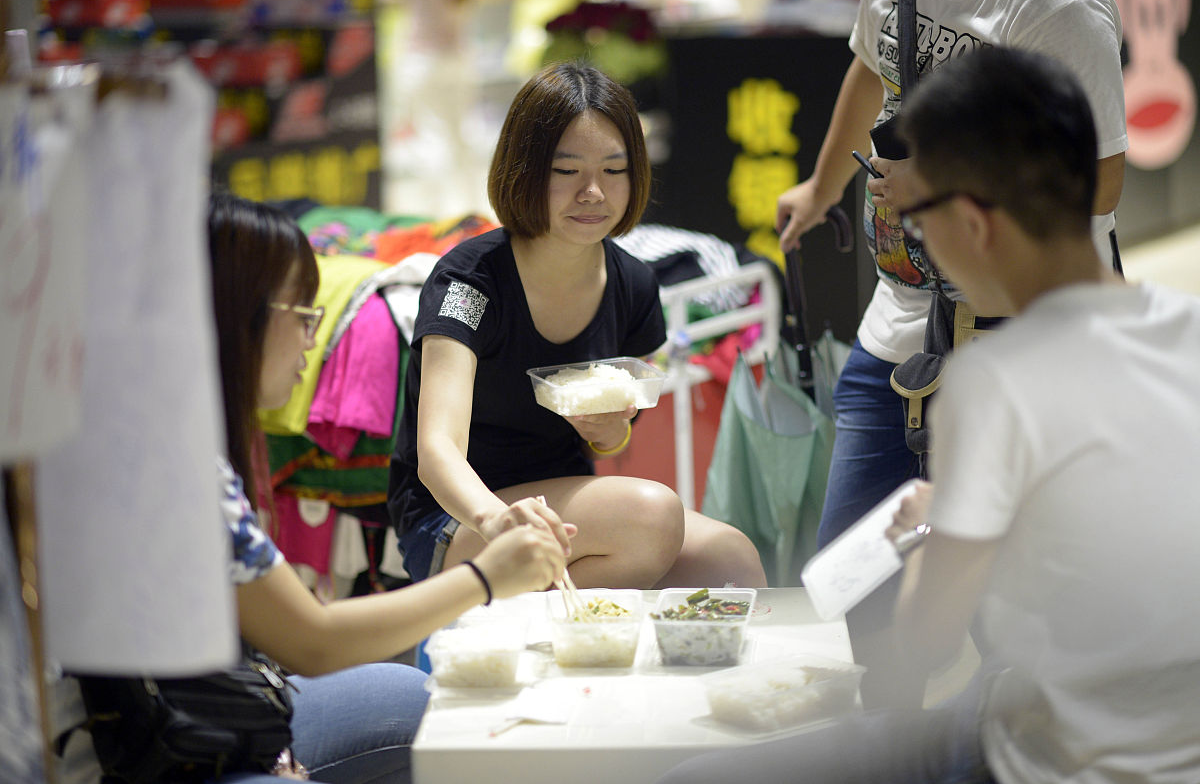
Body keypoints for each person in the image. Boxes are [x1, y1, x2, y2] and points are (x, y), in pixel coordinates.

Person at [660, 46, 1200, 784]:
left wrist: (941, 534)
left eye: (915, 219)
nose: (916, 243)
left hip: (1031, 755)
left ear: (974, 223)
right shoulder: (1186, 328)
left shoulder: (997, 384)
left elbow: (923, 639)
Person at [53, 194, 568, 784]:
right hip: (134, 750)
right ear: (233, 315)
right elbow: (313, 641)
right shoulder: (167, 464)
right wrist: (484, 578)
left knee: (412, 692)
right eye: (302, 313)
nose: (312, 341)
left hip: (177, 710)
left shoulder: (153, 433)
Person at [773, 0, 1127, 705]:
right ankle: (896, 735)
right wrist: (821, 188)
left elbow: (1101, 182)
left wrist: (940, 183)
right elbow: (876, 68)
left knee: (1019, 621)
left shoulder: (1058, 10)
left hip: (1028, 336)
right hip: (905, 320)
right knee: (855, 575)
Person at [386, 61, 767, 590]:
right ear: (523, 170)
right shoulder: (471, 283)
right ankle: (544, 647)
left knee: (729, 558)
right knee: (652, 515)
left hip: (563, 499)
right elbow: (436, 452)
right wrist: (499, 522)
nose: (593, 192)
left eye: (614, 170)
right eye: (567, 172)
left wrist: (612, 431)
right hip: (456, 518)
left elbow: (612, 435)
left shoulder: (633, 284)